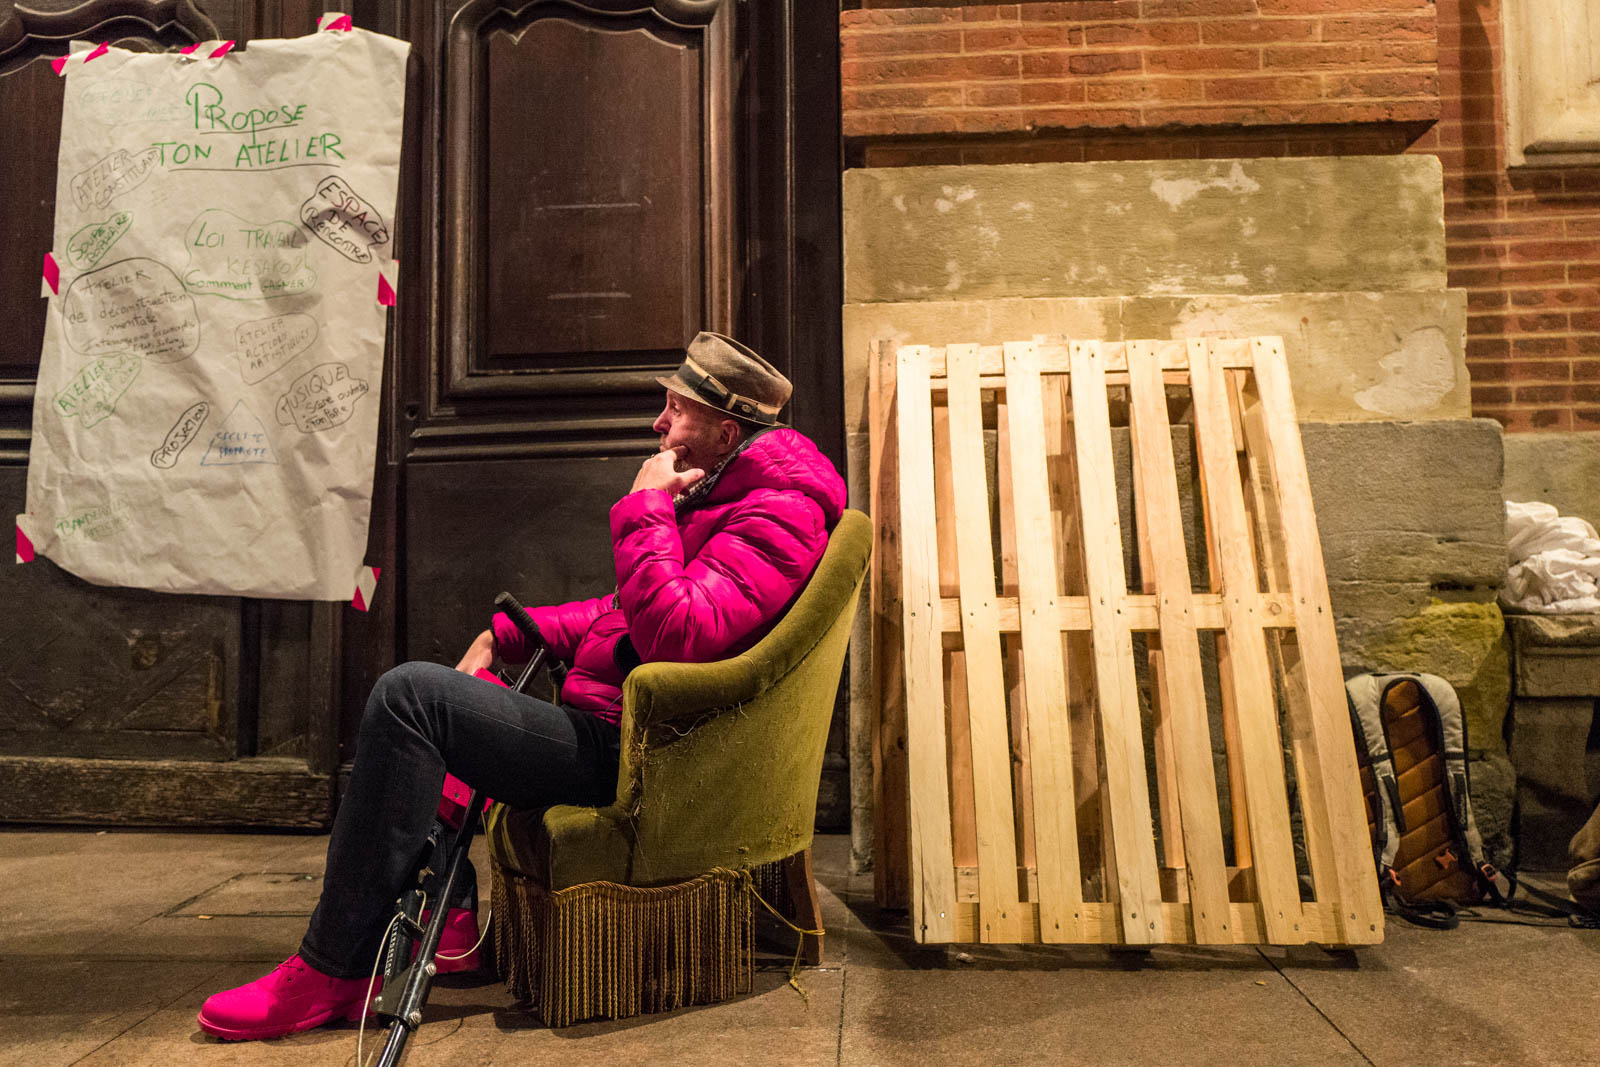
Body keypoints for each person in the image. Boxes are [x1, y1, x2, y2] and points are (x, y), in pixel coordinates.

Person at [197, 332, 846, 1040]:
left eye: (677, 410)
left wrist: (645, 508)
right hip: (614, 725)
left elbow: (677, 631)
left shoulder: (777, 509)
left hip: (638, 751)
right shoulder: (732, 493)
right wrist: (514, 633)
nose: (660, 425)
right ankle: (441, 922)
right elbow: (625, 610)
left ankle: (333, 970)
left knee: (411, 698)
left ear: (726, 431)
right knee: (428, 702)